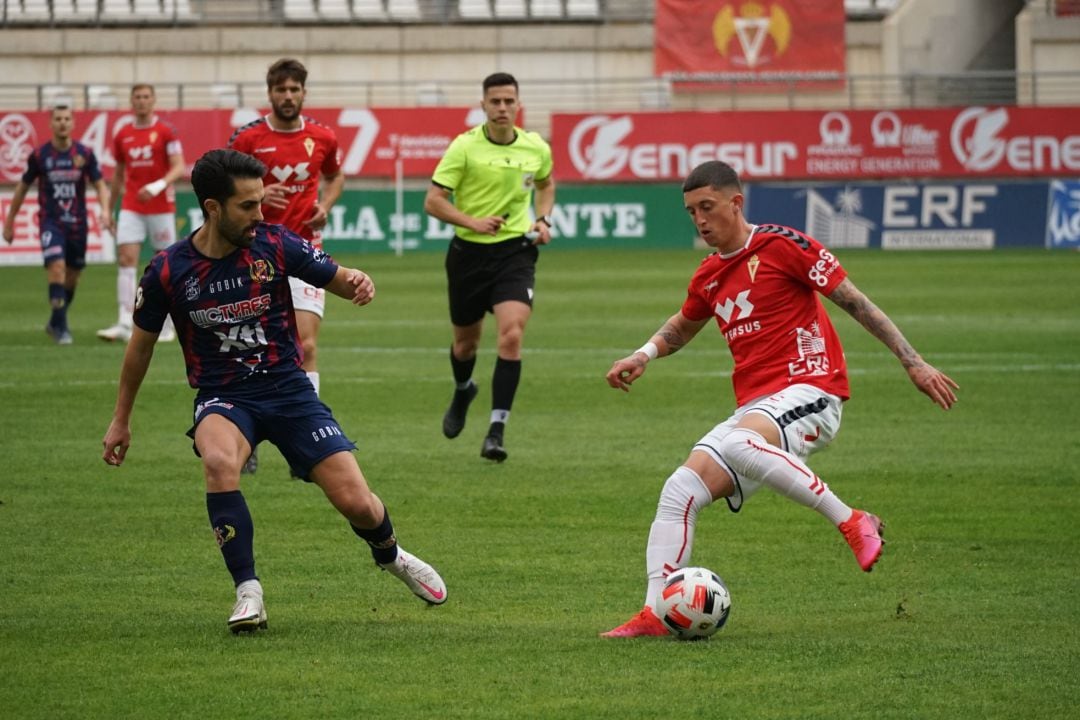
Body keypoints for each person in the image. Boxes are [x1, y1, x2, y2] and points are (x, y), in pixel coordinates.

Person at [600, 160, 959, 638]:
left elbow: (855, 301)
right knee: (679, 489)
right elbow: (684, 324)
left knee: (737, 446)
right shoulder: (708, 274)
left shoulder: (782, 245)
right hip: (760, 409)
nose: (699, 220)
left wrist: (911, 360)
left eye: (707, 207)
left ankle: (852, 521)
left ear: (736, 202)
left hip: (813, 389)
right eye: (691, 212)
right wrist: (644, 354)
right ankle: (656, 613)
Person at [101, 149, 447, 634]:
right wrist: (121, 419)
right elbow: (139, 349)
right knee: (219, 460)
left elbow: (339, 279)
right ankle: (248, 591)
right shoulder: (168, 270)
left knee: (357, 503)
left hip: (288, 390)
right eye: (247, 205)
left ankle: (393, 557)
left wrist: (360, 283)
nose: (260, 214)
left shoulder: (274, 244)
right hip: (223, 395)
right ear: (213, 207)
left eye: (261, 203)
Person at [423, 72, 555, 462]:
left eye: (508, 101)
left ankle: (496, 431)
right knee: (466, 344)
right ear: (483, 106)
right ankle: (464, 389)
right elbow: (433, 201)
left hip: (515, 252)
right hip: (468, 254)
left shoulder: (536, 147)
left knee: (511, 335)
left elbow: (546, 184)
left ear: (518, 104)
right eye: (494, 101)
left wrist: (543, 220)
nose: (502, 108)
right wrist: (472, 221)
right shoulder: (464, 148)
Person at [229, 57, 344, 474]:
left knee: (306, 346)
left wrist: (324, 206)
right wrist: (260, 197)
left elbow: (336, 175)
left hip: (304, 251)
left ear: (304, 93)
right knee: (251, 348)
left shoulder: (322, 136)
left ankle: (308, 441)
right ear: (270, 93)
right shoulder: (247, 139)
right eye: (281, 90)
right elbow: (220, 187)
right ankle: (247, 433)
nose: (288, 96)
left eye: (295, 89)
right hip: (254, 253)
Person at [2, 105, 114, 344]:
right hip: (51, 223)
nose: (62, 123)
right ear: (51, 124)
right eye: (58, 119)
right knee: (56, 268)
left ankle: (55, 320)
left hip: (78, 225)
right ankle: (62, 327)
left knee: (72, 276)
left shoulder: (84, 153)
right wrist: (10, 220)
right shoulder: (40, 155)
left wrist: (105, 211)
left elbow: (100, 184)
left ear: (73, 123)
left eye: (66, 119)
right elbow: (22, 187)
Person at [97, 83, 186, 344]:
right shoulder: (123, 134)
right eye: (137, 97)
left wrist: (158, 185)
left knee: (165, 265)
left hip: (161, 207)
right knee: (126, 258)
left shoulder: (166, 131)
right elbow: (118, 176)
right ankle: (125, 321)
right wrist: (108, 209)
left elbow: (179, 166)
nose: (142, 101)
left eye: (146, 96)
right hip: (131, 206)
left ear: (154, 100)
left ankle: (168, 324)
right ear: (131, 101)